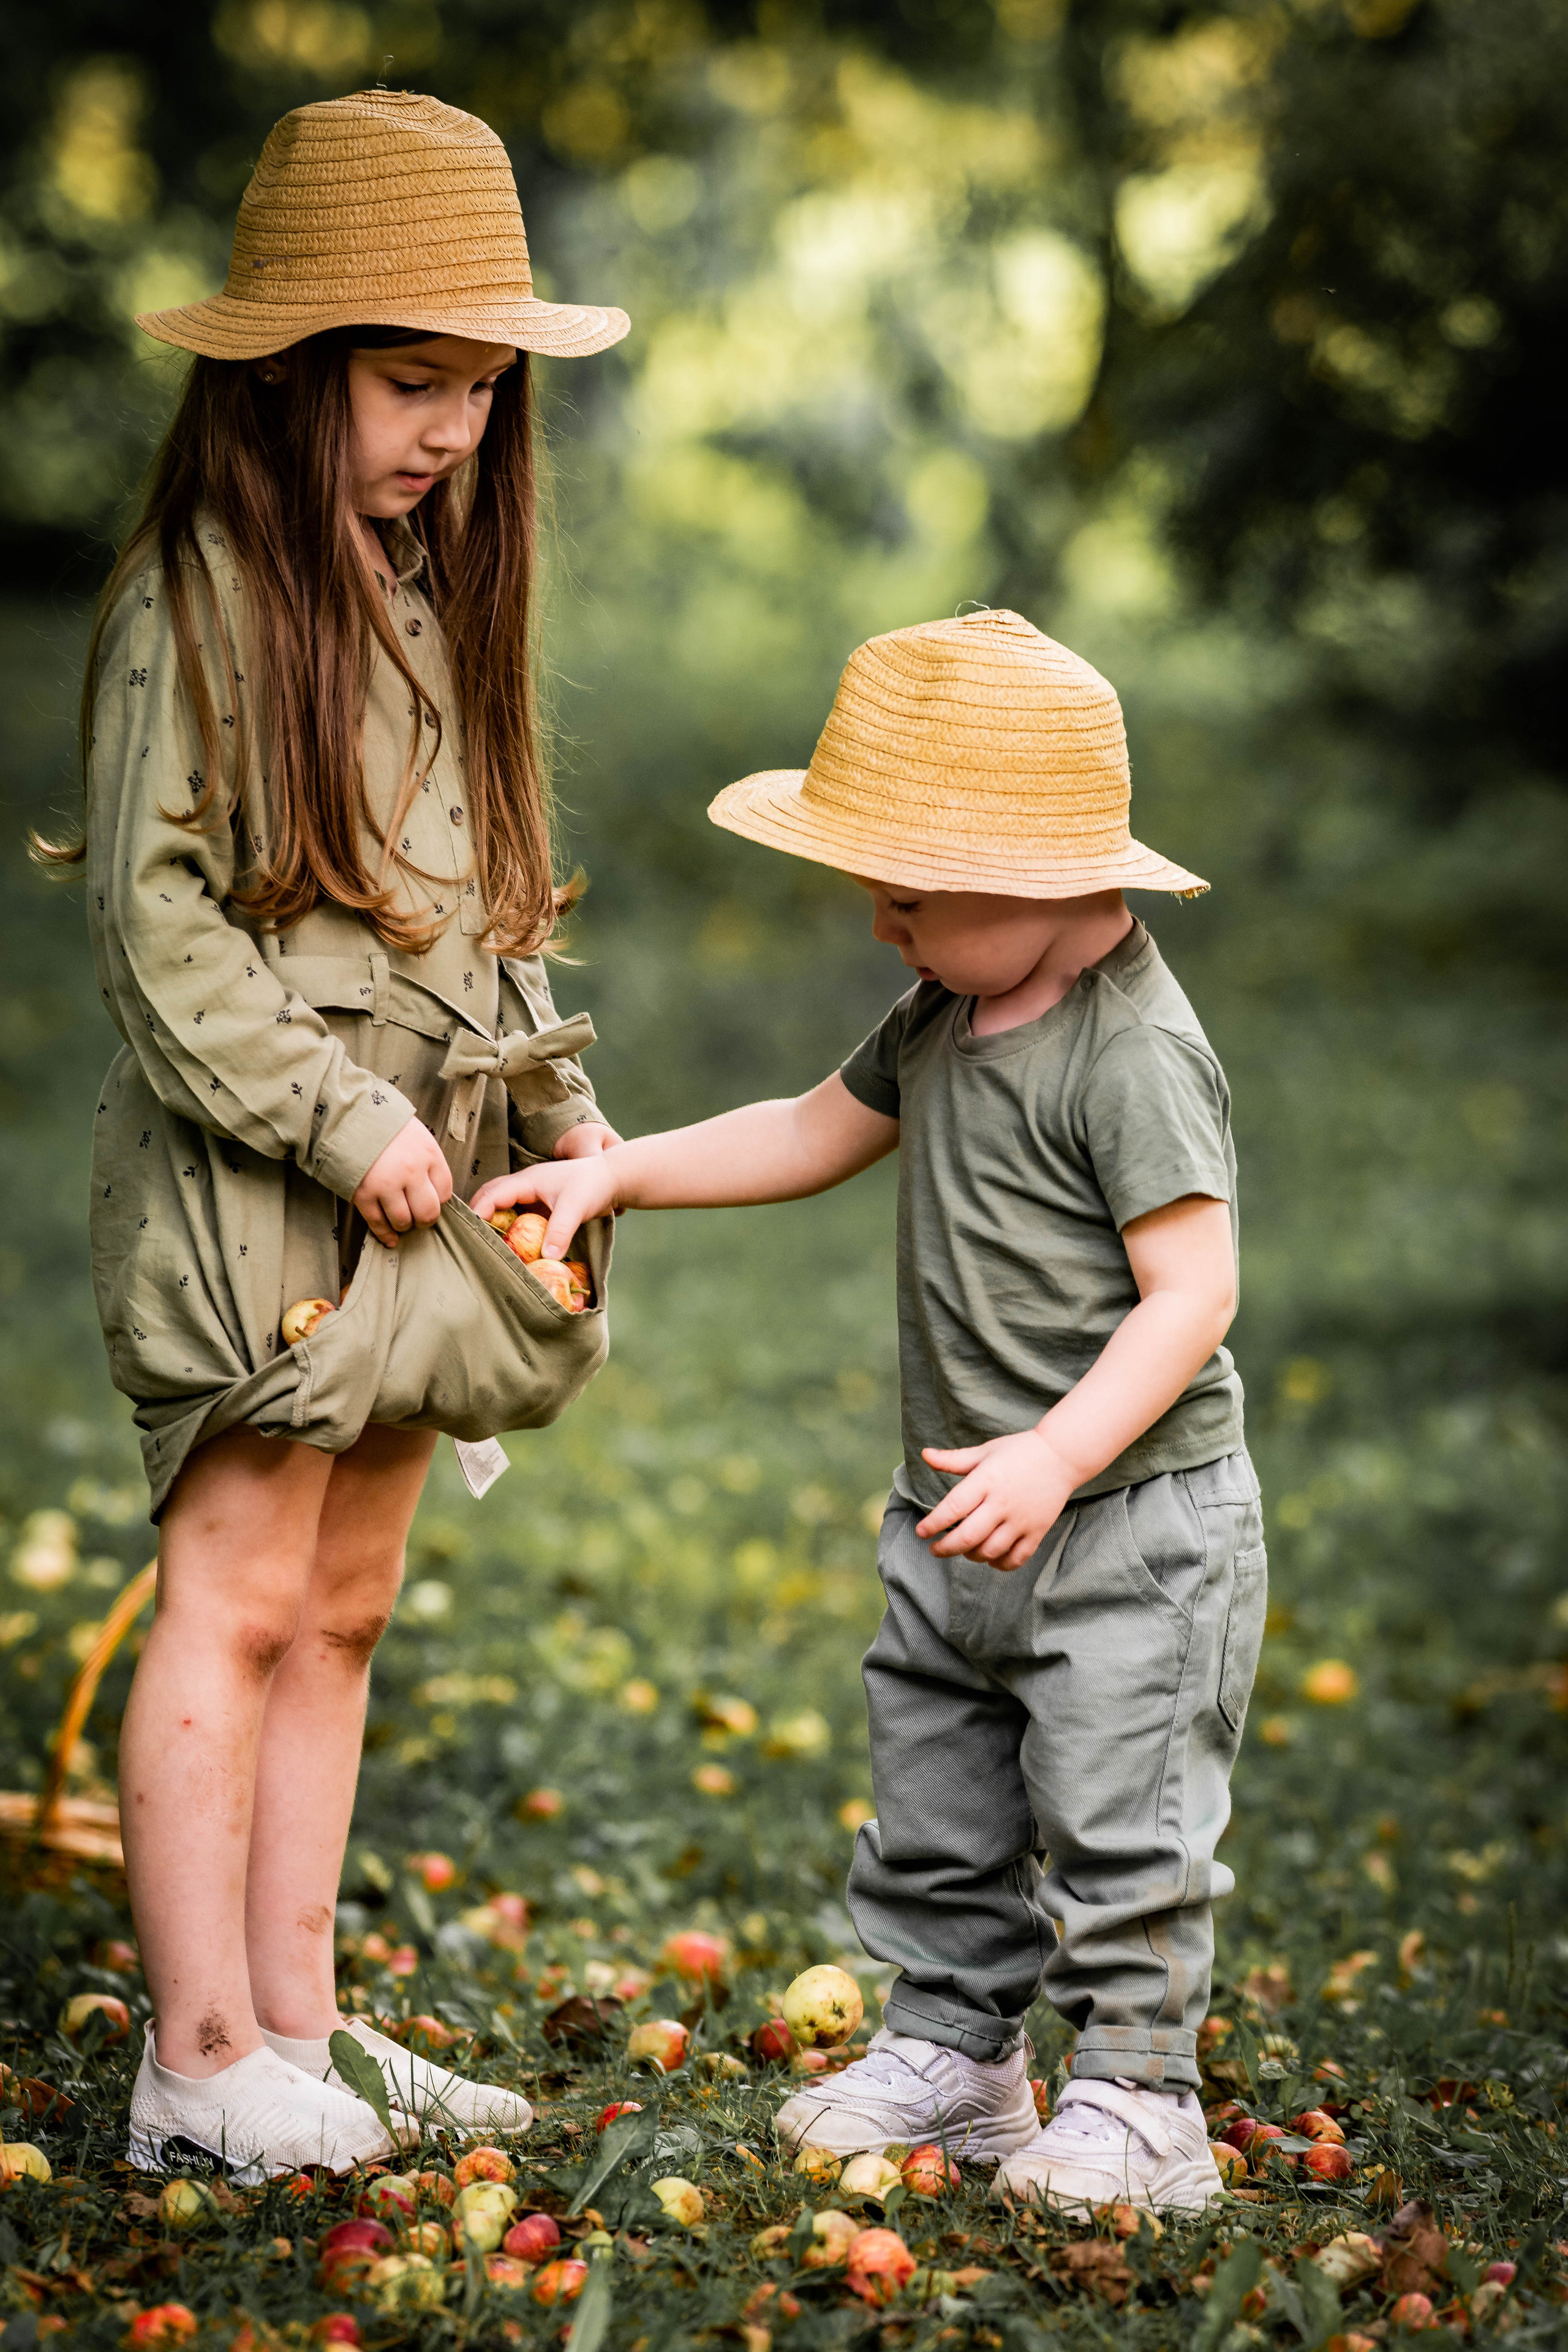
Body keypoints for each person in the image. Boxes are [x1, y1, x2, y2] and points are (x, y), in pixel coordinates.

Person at [474, 609, 1267, 2217]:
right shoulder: (947, 1011)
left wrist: (1058, 1453)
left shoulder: (1133, 1056)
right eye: (875, 894)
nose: (882, 924)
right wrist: (619, 1167)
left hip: (1125, 1520)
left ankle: (1141, 2096)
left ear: (1042, 874)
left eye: (909, 895)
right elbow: (807, 1128)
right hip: (955, 1515)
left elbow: (1196, 1295)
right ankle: (961, 2053)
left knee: (1127, 1824)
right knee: (941, 1797)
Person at [44, 90, 628, 2180]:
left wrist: (558, 1115)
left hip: (427, 1186)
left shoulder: (422, 595)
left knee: (354, 1600)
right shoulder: (192, 605)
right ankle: (196, 2058)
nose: (455, 428)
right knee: (243, 1590)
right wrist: (342, 1107)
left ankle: (297, 2031)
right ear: (285, 371)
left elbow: (477, 906)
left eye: (481, 388)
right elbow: (153, 919)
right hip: (259, 1192)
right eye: (412, 381)